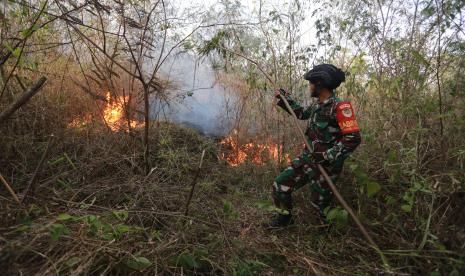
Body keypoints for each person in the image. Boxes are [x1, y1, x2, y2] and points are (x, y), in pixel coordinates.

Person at [267, 64, 361, 227]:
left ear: (320, 85)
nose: (309, 87)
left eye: (311, 83)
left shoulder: (340, 107)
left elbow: (353, 137)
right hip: (308, 160)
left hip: (327, 167)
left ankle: (324, 234)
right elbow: (302, 113)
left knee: (319, 210)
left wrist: (327, 156)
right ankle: (285, 220)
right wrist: (285, 100)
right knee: (280, 185)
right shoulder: (317, 105)